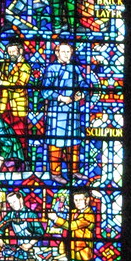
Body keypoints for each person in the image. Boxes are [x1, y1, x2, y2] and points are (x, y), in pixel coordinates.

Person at [41, 42, 86, 181]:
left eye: (69, 52)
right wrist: (60, 97)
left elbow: (83, 84)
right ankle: (55, 173)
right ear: (57, 53)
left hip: (73, 110)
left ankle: (74, 171)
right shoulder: (51, 68)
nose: (66, 54)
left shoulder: (76, 68)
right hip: (57, 112)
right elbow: (45, 91)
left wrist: (81, 93)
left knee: (74, 142)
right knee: (56, 143)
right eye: (63, 52)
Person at [0, 40, 31, 158]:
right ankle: (5, 159)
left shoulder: (25, 67)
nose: (11, 54)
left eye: (13, 52)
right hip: (4, 104)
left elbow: (19, 86)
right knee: (3, 132)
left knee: (19, 133)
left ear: (20, 51)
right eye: (9, 52)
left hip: (17, 105)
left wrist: (1, 82)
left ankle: (20, 160)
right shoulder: (5, 64)